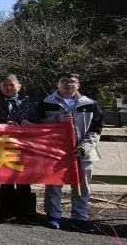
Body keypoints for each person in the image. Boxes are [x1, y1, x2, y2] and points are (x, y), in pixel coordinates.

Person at [35, 72, 103, 232]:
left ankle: (79, 218)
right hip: (54, 152)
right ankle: (53, 216)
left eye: (72, 81)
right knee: (53, 184)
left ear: (78, 85)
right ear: (57, 84)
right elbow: (37, 123)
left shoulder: (90, 104)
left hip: (82, 152)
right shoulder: (46, 102)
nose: (68, 84)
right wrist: (56, 120)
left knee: (82, 185)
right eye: (64, 81)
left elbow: (96, 130)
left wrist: (83, 147)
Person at [0, 74, 37, 222]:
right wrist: (2, 124)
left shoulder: (28, 102)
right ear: (0, 87)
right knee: (5, 179)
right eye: (5, 85)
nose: (8, 88)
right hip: (2, 144)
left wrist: (28, 122)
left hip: (23, 145)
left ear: (19, 86)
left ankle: (25, 213)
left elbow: (37, 119)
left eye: (12, 85)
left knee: (23, 179)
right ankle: (6, 212)